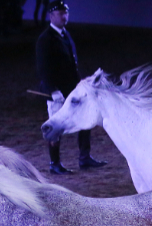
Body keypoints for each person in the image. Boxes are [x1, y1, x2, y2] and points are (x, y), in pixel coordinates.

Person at [36, 0, 106, 174]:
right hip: (57, 92)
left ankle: (84, 158)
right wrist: (52, 90)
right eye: (60, 13)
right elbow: (43, 67)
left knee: (85, 122)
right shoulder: (45, 39)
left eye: (65, 12)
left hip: (72, 89)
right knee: (55, 127)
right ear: (51, 16)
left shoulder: (65, 34)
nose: (64, 16)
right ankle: (55, 164)